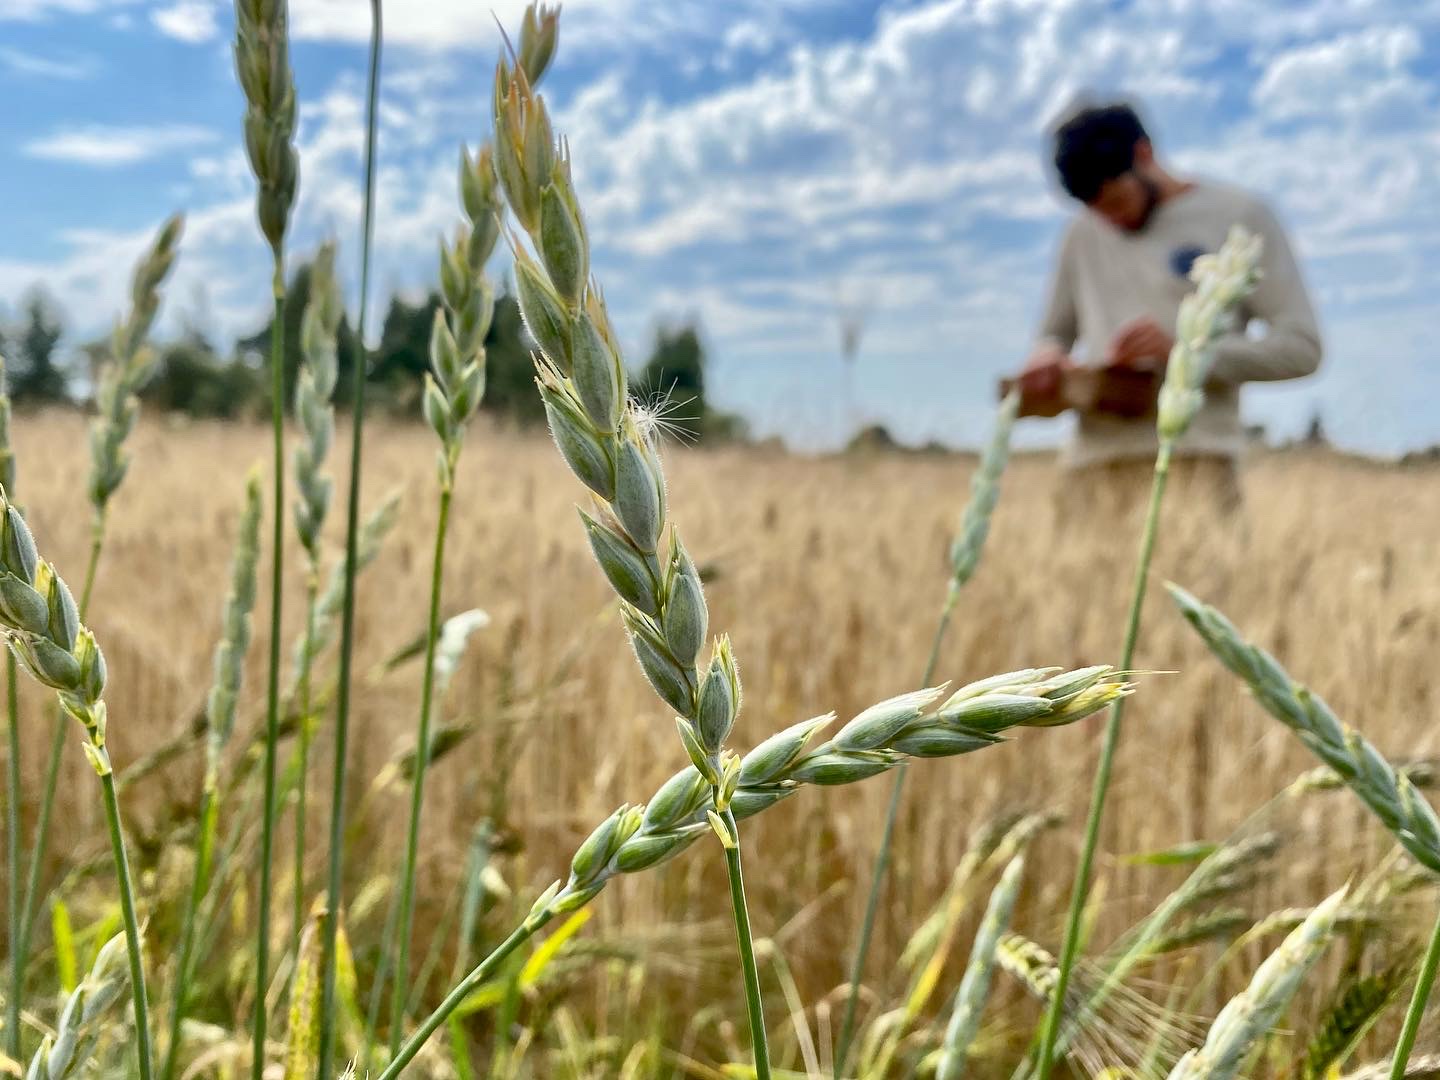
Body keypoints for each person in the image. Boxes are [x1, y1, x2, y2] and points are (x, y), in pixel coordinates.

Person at [1015, 100, 1323, 526]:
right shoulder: (1081, 234)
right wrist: (1046, 359)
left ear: (1145, 155)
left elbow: (1302, 347)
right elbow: (1052, 335)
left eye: (1118, 201)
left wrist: (1186, 352)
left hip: (1198, 463)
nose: (1113, 223)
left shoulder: (1240, 217)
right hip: (1092, 465)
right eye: (1095, 210)